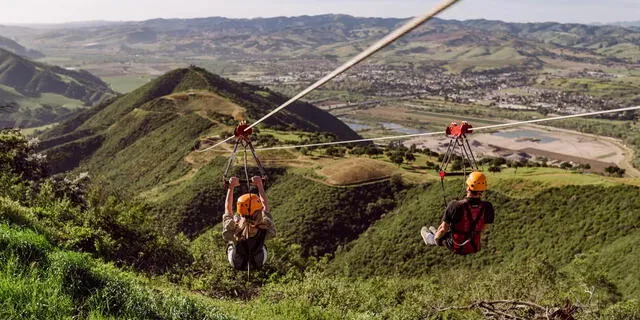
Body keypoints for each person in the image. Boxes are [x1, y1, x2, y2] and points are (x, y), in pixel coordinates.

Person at [421, 171, 495, 255]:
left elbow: (444, 229)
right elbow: (483, 227)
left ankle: (430, 238)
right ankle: (434, 232)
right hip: (474, 245)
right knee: (448, 230)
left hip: (457, 245)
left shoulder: (455, 205)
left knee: (441, 234)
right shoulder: (487, 206)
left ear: (468, 188)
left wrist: (437, 240)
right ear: (483, 189)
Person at [222, 176, 276, 270]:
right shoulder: (265, 226)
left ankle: (239, 222)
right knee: (261, 242)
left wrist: (231, 187)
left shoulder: (234, 228)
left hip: (237, 262)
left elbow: (228, 210)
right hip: (258, 261)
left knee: (233, 223)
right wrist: (259, 185)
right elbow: (265, 208)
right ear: (259, 210)